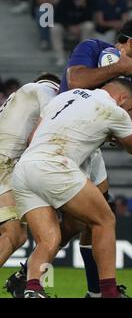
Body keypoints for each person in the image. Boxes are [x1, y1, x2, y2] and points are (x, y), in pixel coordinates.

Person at [5, 18, 132, 298]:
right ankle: (106, 291)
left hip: (67, 149)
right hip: (63, 148)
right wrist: (119, 69)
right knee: (103, 218)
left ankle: (31, 282)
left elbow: (131, 120)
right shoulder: (92, 47)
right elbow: (78, 79)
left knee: (73, 226)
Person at [12, 78, 132, 298]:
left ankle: (32, 289)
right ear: (122, 99)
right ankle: (109, 293)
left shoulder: (65, 96)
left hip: (25, 168)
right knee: (105, 220)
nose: (128, 114)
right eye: (129, 109)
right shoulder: (114, 110)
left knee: (49, 240)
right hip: (54, 165)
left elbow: (32, 136)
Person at [0, 74, 60, 275]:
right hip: (3, 164)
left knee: (15, 235)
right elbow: (37, 137)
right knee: (14, 235)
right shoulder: (47, 92)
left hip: (5, 163)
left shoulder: (22, 95)